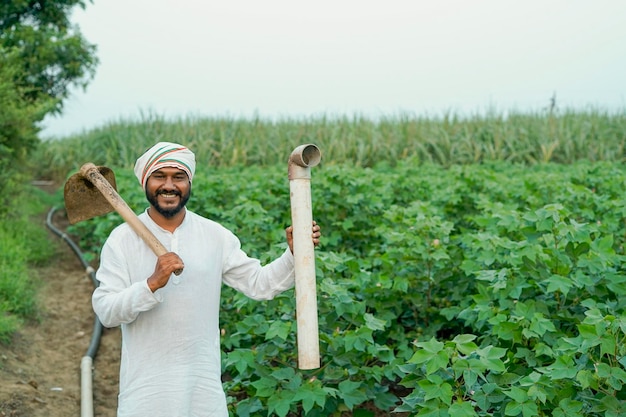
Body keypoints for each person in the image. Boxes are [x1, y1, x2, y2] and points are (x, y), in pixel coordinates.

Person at [92, 141, 321, 417]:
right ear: (145, 182)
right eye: (159, 176)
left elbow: (260, 284)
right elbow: (106, 311)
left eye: (178, 177)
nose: (169, 185)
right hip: (146, 392)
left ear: (189, 183)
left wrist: (293, 254)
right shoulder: (121, 240)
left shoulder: (214, 236)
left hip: (202, 389)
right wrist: (151, 283)